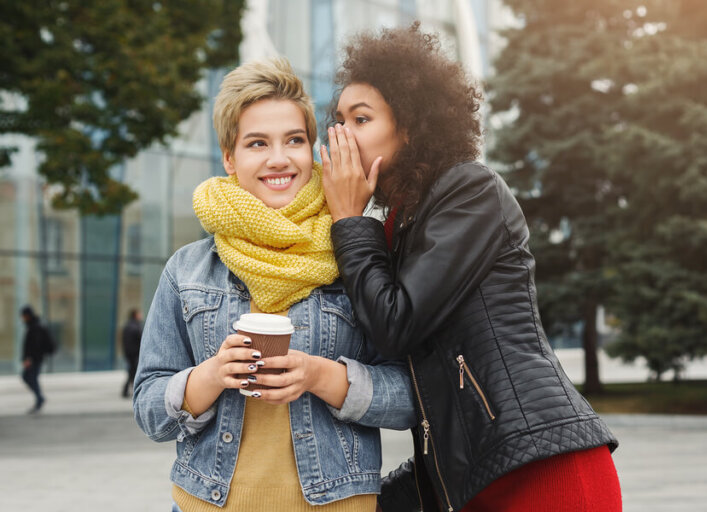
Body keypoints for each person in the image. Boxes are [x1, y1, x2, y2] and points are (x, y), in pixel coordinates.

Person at [321, 23, 621, 512]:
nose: (341, 136)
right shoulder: (399, 223)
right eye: (338, 120)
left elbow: (395, 322)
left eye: (360, 119)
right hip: (475, 476)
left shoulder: (470, 191)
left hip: (543, 470)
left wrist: (350, 221)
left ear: (411, 126)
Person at [133, 58, 415, 512]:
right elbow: (149, 408)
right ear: (230, 157)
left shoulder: (359, 259)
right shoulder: (187, 270)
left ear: (312, 149)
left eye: (295, 140)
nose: (279, 159)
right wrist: (209, 377)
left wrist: (322, 377)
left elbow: (411, 397)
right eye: (257, 143)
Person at [20, 305, 52, 413]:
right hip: (35, 358)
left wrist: (29, 359)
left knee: (30, 377)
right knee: (29, 377)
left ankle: (39, 399)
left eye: (23, 316)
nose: (22, 318)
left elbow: (34, 346)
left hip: (35, 359)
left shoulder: (35, 327)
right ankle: (39, 398)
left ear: (27, 315)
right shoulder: (32, 325)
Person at [121, 308, 143, 398]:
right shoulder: (135, 327)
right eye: (139, 314)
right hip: (134, 353)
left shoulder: (128, 326)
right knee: (133, 372)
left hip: (129, 353)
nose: (141, 315)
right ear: (135, 315)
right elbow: (140, 340)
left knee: (132, 372)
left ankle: (126, 391)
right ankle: (131, 391)